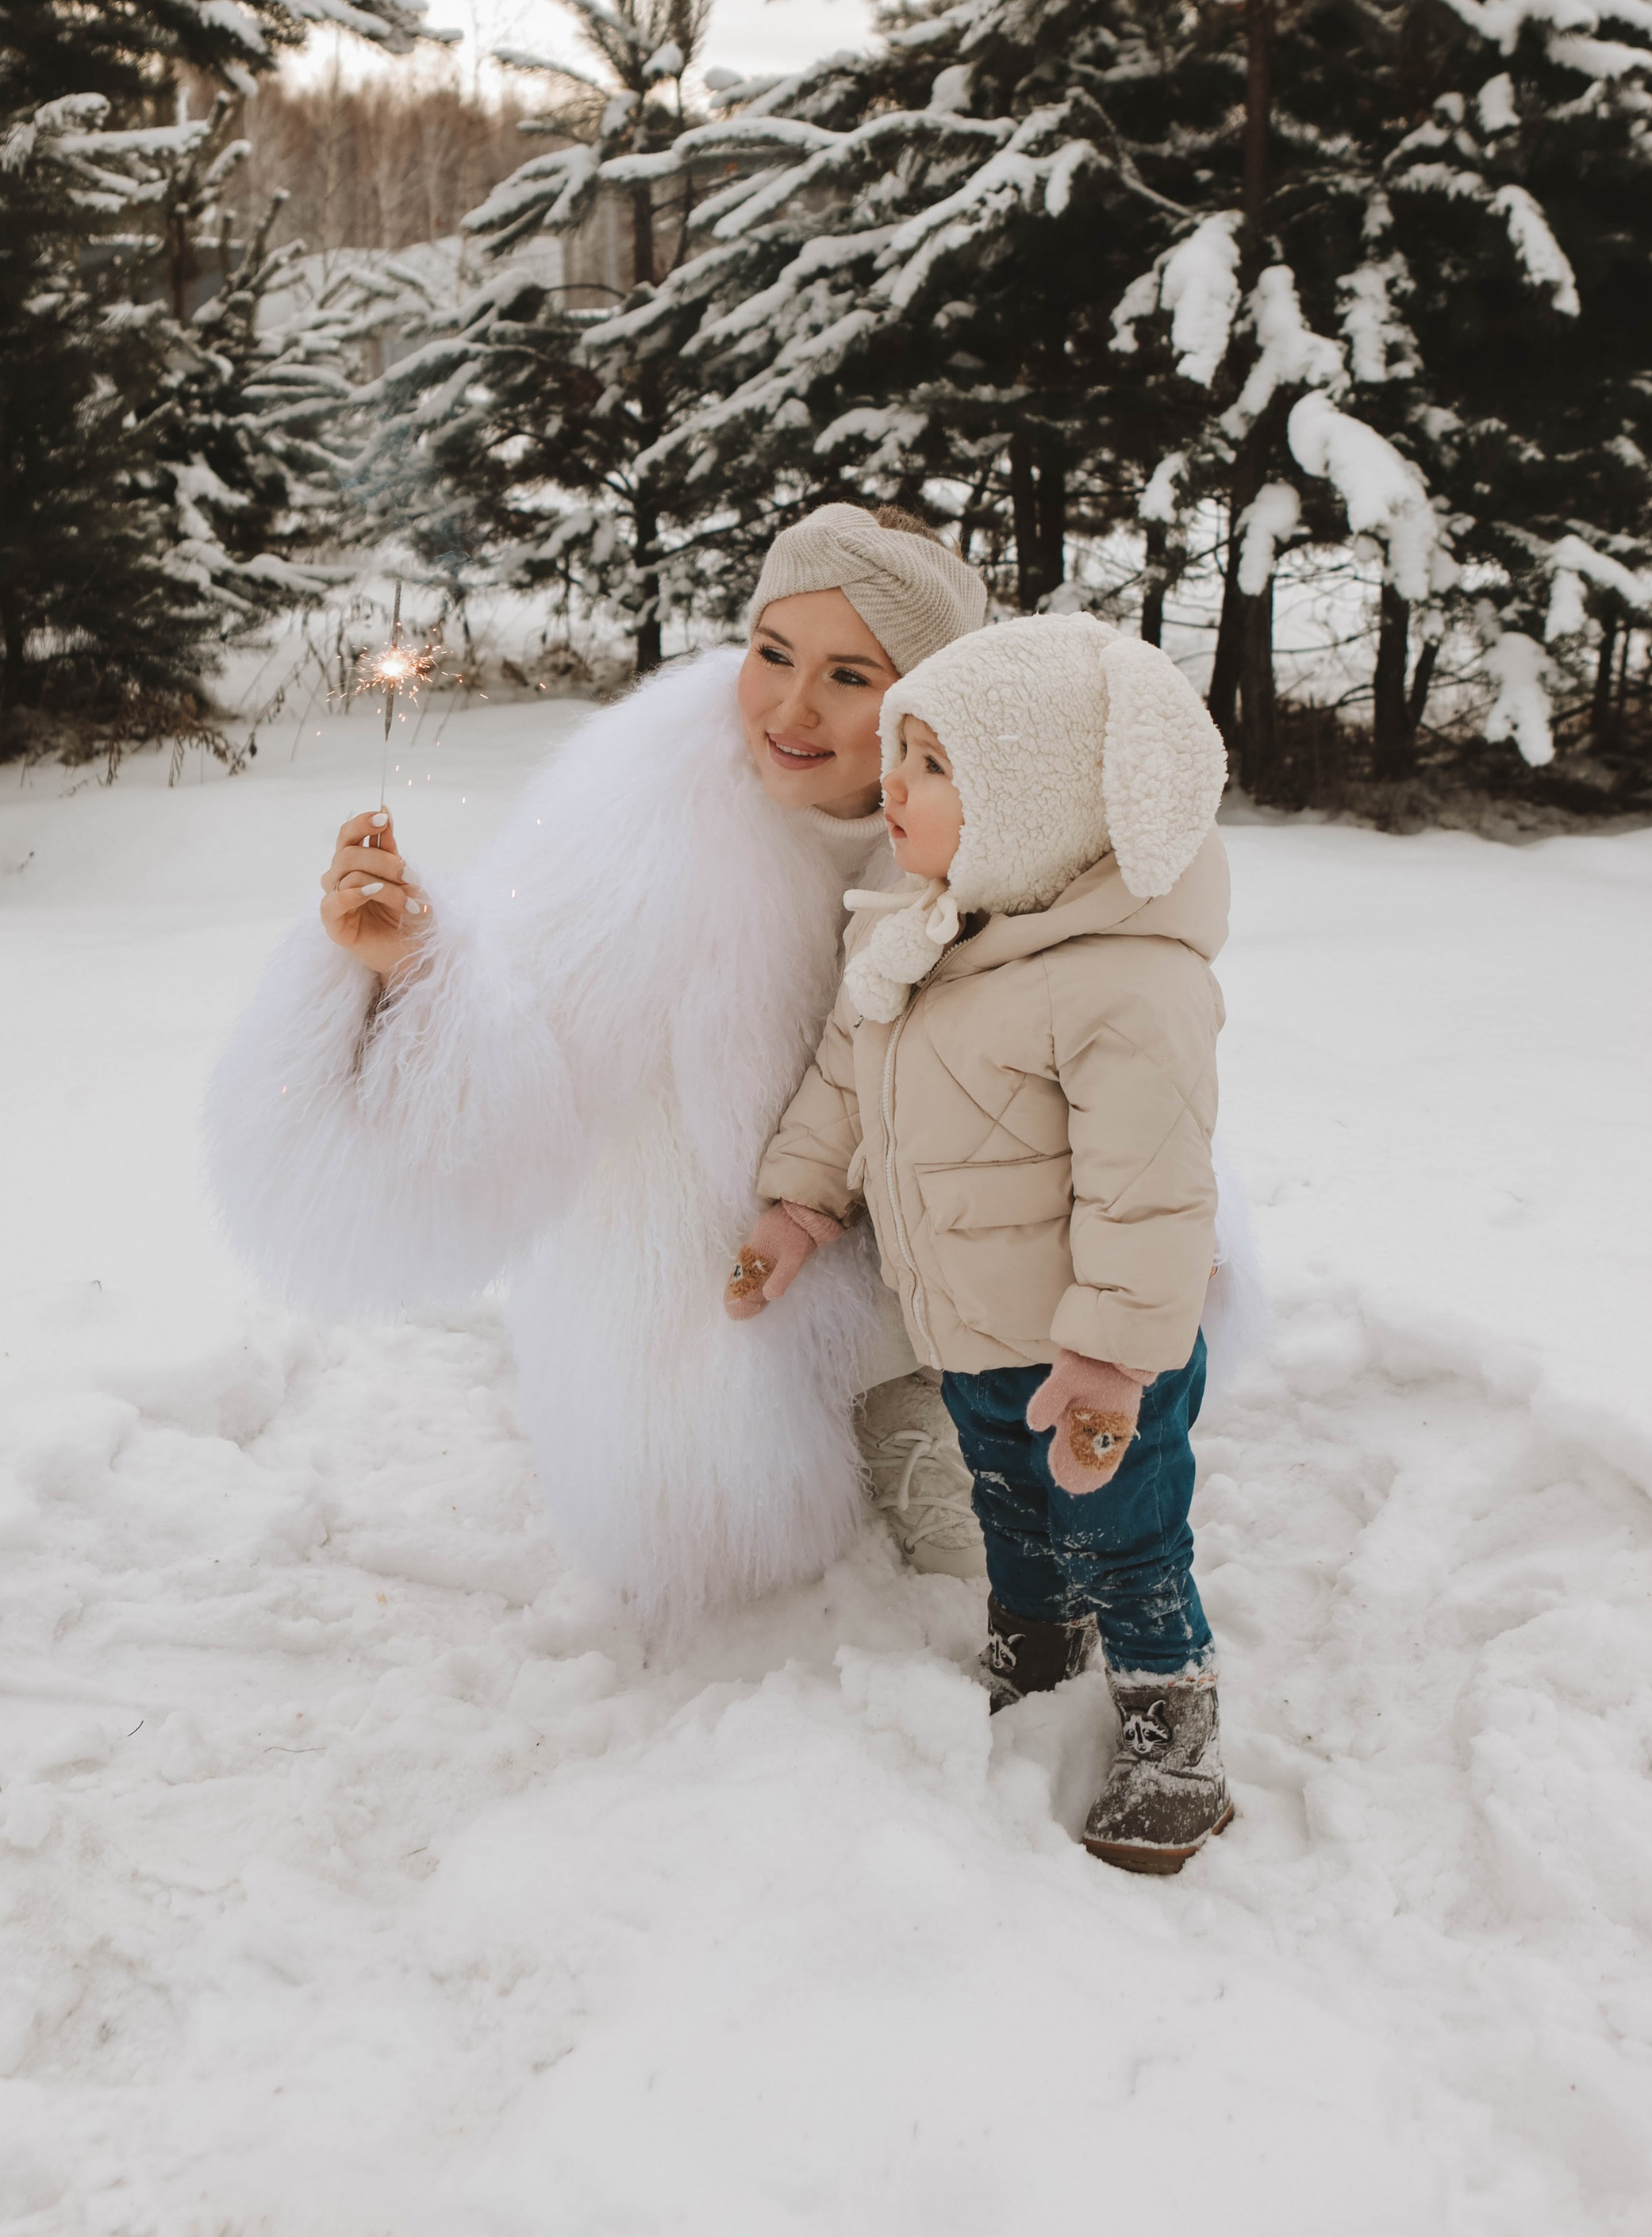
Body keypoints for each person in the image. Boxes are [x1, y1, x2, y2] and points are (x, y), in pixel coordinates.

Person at [204, 505, 989, 1629]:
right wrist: (416, 970)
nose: (791, 708)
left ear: (923, 697)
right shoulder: (653, 802)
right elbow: (532, 1049)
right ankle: (820, 1410)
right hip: (735, 1263)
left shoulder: (992, 821)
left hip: (928, 1222)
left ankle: (938, 1387)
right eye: (772, 654)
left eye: (848, 676)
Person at [750, 613, 1236, 1871]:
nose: (891, 791)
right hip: (967, 1328)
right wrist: (802, 1203)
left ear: (1038, 800)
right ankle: (1034, 1640)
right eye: (898, 758)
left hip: (1095, 1357)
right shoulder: (914, 930)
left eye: (931, 766)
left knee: (1131, 1535)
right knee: (1010, 1503)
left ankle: (1172, 1729)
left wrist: (1117, 1359)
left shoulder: (1125, 982)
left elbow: (1154, 1194)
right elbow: (844, 1080)